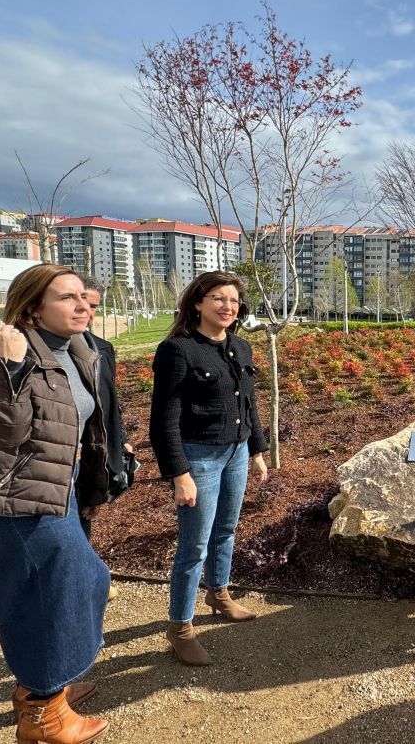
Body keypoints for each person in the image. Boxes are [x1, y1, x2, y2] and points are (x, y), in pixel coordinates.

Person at [0, 264, 110, 743]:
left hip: (52, 491)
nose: (83, 305)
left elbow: (79, 419)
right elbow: (4, 432)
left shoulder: (76, 351)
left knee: (86, 580)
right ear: (31, 308)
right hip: (12, 501)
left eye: (84, 297)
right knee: (47, 599)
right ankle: (43, 713)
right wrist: (9, 366)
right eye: (68, 298)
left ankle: (43, 687)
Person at [150, 271, 269, 666]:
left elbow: (248, 405)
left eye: (233, 301)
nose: (227, 306)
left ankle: (218, 594)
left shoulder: (242, 347)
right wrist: (178, 473)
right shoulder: (178, 350)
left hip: (235, 453)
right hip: (198, 456)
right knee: (194, 545)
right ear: (197, 303)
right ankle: (180, 627)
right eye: (217, 298)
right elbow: (163, 419)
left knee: (227, 530)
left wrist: (257, 450)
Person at [78, 277, 134, 602]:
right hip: (58, 454)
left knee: (85, 515)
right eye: (80, 300)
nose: (87, 310)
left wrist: (121, 438)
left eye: (94, 305)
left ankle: (85, 581)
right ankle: (89, 579)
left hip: (94, 452)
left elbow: (110, 401)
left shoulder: (102, 348)